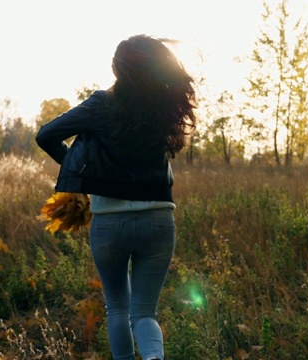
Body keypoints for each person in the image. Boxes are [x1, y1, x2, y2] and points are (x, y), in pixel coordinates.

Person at [35, 34, 196, 360]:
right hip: (159, 220)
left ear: (117, 69)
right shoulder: (163, 107)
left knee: (118, 308)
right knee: (144, 314)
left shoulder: (101, 104)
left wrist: (76, 166)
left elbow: (46, 135)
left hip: (110, 222)